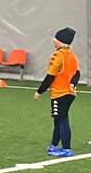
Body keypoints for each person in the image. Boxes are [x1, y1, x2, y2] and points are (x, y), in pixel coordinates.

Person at [34, 26, 80, 158]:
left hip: (59, 93)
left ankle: (66, 149)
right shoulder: (72, 55)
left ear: (60, 41)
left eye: (55, 38)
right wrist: (73, 84)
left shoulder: (57, 55)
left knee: (62, 120)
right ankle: (54, 145)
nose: (53, 40)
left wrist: (40, 91)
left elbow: (50, 76)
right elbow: (77, 74)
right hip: (70, 93)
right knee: (58, 119)